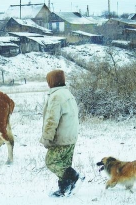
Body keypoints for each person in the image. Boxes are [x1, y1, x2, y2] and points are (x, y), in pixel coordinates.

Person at [40, 69, 83, 197]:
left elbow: (52, 120)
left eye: (49, 80)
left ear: (52, 81)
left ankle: (74, 176)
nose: (48, 83)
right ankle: (65, 189)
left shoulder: (56, 96)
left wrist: (47, 138)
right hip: (71, 136)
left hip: (61, 138)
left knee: (51, 162)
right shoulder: (67, 93)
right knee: (64, 164)